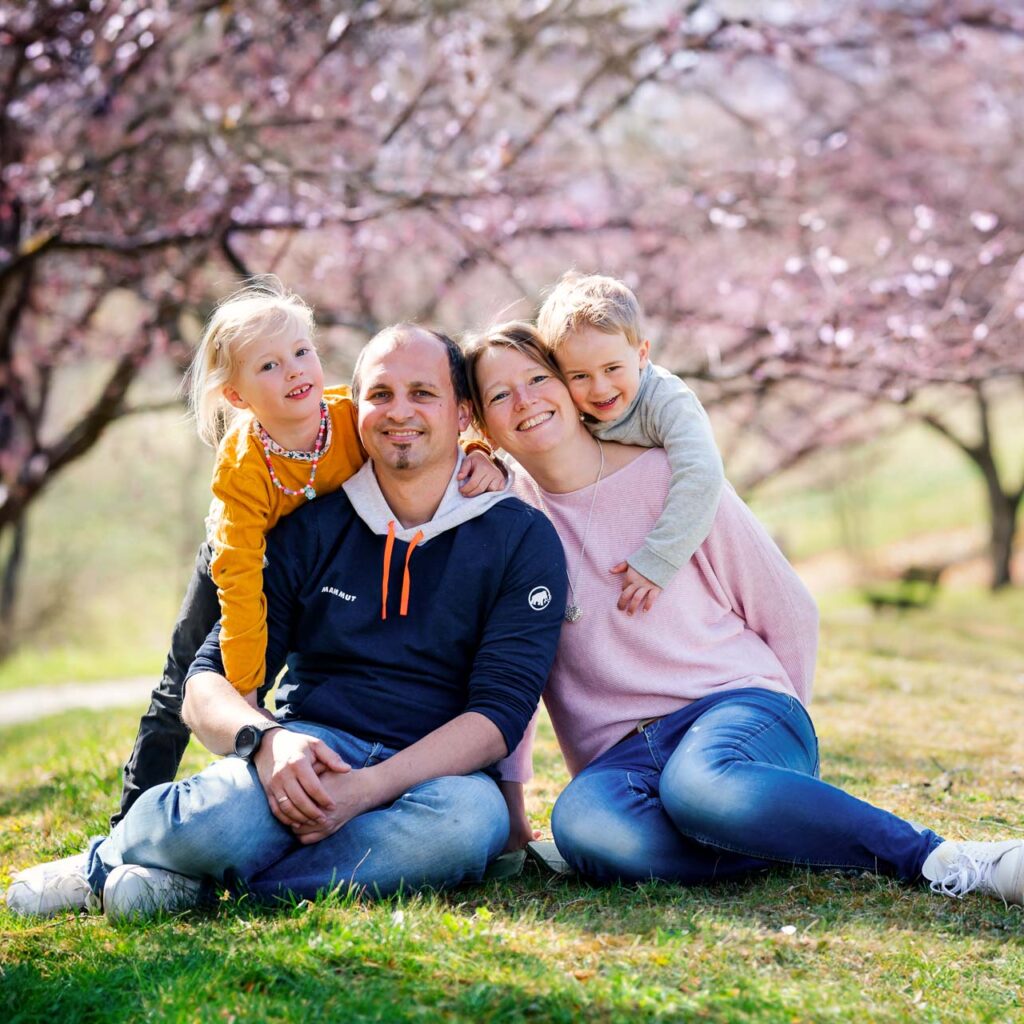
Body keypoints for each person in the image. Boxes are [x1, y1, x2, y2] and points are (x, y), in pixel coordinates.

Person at [6, 324, 566, 920]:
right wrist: (267, 743)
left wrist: (368, 790)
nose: (398, 411)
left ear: (462, 415)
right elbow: (205, 682)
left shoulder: (521, 538)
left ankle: (204, 889)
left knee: (466, 825)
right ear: (354, 410)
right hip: (309, 756)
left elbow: (497, 716)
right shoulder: (312, 527)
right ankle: (111, 860)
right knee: (210, 820)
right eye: (379, 394)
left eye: (423, 393)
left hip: (434, 778)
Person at [464, 321, 1024, 906]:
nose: (525, 401)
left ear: (569, 385)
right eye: (500, 394)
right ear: (481, 421)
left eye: (537, 378)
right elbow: (514, 675)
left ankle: (940, 858)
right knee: (586, 830)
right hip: (621, 759)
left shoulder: (669, 479)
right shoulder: (508, 524)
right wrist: (511, 804)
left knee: (701, 786)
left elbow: (789, 608)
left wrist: (783, 737)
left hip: (736, 709)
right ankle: (788, 829)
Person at [112, 279, 504, 827]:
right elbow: (243, 583)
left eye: (302, 352)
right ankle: (130, 823)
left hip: (318, 556)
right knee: (183, 681)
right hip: (237, 558)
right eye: (268, 366)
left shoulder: (350, 414)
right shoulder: (242, 472)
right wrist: (247, 700)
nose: (295, 370)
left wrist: (482, 452)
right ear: (237, 396)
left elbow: (421, 430)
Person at [536, 271, 724, 615]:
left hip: (697, 524)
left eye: (612, 368)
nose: (600, 388)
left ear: (641, 354)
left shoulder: (666, 399)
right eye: (580, 376)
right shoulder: (572, 407)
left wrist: (659, 557)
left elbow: (702, 472)